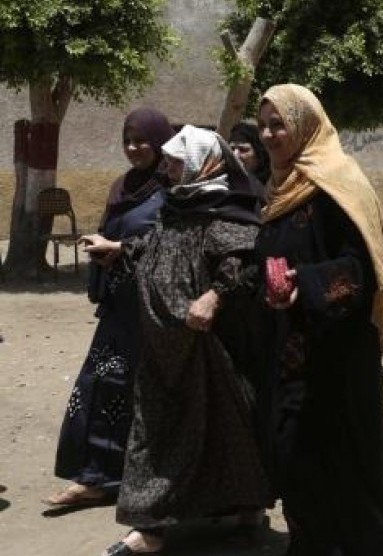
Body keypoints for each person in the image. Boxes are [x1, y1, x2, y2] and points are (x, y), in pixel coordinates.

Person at [81, 125, 269, 555]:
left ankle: (243, 508)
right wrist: (116, 248)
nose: (166, 168)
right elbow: (152, 246)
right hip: (162, 344)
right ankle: (150, 526)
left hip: (205, 351)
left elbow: (248, 263)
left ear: (204, 162)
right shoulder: (175, 205)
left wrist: (214, 295)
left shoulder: (225, 210)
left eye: (174, 160)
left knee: (222, 427)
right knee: (156, 428)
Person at [255, 84, 383, 556]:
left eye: (278, 123)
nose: (268, 134)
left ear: (304, 124)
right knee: (291, 451)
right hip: (292, 346)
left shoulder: (339, 182)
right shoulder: (278, 184)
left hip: (339, 354)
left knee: (347, 456)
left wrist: (311, 283)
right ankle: (311, 541)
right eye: (263, 123)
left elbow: (362, 270)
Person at [46, 108, 174, 510]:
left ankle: (139, 480)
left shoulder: (172, 188)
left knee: (147, 395)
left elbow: (175, 246)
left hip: (154, 311)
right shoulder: (123, 186)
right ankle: (95, 476)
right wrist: (105, 246)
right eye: (127, 139)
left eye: (142, 140)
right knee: (100, 387)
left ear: (160, 141)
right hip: (119, 307)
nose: (133, 148)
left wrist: (120, 250)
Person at [229, 121, 271, 202]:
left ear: (259, 155)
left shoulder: (274, 185)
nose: (235, 155)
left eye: (243, 150)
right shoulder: (223, 183)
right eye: (232, 149)